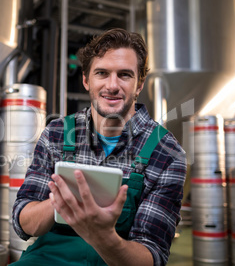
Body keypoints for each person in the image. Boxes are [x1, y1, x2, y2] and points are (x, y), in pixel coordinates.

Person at [11, 28, 187, 266]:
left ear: (139, 84)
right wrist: (61, 200)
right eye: (102, 73)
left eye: (124, 75)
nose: (112, 85)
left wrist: (104, 237)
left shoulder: (166, 152)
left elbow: (151, 256)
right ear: (86, 80)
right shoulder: (57, 133)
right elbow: (23, 222)